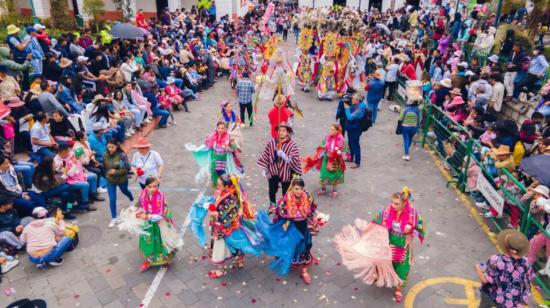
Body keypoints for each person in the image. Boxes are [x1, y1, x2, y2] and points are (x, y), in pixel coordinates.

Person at [256, 177, 318, 284]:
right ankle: (290, 260)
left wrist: (313, 220)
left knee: (305, 245)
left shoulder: (307, 196)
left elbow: (311, 210)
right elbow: (281, 212)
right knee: (292, 246)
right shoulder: (286, 199)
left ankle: (304, 270)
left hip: (304, 227)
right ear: (292, 188)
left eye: (301, 189)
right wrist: (287, 214)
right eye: (297, 189)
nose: (299, 191)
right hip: (292, 228)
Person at [373, 188, 424, 302]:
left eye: (397, 203)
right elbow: (375, 222)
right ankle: (380, 274)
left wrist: (411, 229)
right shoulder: (386, 211)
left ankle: (398, 289)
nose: (393, 205)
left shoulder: (413, 213)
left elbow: (420, 229)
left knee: (402, 267)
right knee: (383, 261)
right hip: (388, 241)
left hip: (404, 244)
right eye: (392, 202)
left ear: (404, 203)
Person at [205, 174, 261, 278]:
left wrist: (213, 213)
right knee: (235, 245)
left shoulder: (228, 198)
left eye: (220, 185)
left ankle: (221, 270)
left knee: (220, 249)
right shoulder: (231, 193)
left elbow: (225, 218)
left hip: (223, 229)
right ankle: (239, 261)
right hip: (232, 228)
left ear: (227, 186)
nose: (217, 187)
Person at [475, 229, 534, 307]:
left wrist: (478, 268)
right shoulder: (526, 263)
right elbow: (529, 279)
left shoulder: (496, 260)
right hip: (511, 302)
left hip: (491, 294)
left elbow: (485, 280)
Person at [135, 177, 180, 272]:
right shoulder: (143, 194)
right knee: (148, 241)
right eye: (149, 187)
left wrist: (148, 217)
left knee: (162, 241)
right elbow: (139, 204)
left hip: (159, 223)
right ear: (145, 186)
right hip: (147, 224)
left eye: (155, 186)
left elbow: (160, 215)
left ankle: (165, 260)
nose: (152, 189)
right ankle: (148, 260)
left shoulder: (160, 196)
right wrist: (137, 212)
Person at [257, 122, 302, 205]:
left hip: (286, 172)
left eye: (283, 130)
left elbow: (295, 160)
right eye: (279, 130)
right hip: (273, 170)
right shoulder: (272, 142)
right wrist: (265, 168)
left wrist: (283, 155)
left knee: (286, 192)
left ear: (288, 132)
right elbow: (266, 154)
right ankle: (272, 205)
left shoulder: (292, 145)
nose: (281, 132)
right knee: (272, 190)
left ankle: (285, 207)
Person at [303, 124, 346, 198]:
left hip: (335, 159)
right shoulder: (327, 137)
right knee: (323, 173)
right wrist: (319, 155)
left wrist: (335, 154)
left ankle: (334, 190)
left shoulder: (341, 139)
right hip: (326, 158)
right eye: (330, 129)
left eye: (332, 130)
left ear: (337, 131)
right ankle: (323, 189)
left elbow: (340, 149)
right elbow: (323, 146)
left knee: (335, 174)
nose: (330, 131)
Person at [103, 139, 134, 228]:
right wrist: (107, 175)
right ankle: (114, 217)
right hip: (110, 180)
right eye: (109, 147)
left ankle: (131, 199)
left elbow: (126, 169)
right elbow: (104, 167)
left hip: (121, 179)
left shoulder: (121, 155)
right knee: (112, 199)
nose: (110, 149)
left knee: (125, 191)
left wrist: (115, 172)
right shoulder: (105, 155)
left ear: (116, 146)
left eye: (112, 147)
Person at [344, 94, 367, 169]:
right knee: (350, 142)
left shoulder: (360, 108)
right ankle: (350, 157)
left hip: (356, 129)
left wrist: (347, 108)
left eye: (352, 99)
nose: (351, 100)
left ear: (357, 101)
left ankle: (357, 162)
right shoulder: (357, 105)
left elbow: (350, 117)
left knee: (356, 145)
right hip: (351, 127)